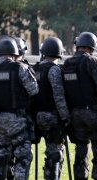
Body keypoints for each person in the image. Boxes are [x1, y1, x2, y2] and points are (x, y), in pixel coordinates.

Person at [0, 36, 38, 179]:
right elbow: (34, 89)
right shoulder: (19, 68)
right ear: (14, 52)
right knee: (22, 157)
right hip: (16, 120)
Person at [61, 32, 97, 180]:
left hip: (76, 115)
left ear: (78, 46)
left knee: (81, 150)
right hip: (93, 113)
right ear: (92, 47)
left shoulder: (67, 64)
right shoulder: (92, 62)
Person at [30, 37, 69, 180]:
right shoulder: (55, 70)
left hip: (34, 118)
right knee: (55, 153)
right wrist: (66, 117)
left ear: (43, 52)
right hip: (51, 118)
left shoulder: (34, 69)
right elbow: (59, 97)